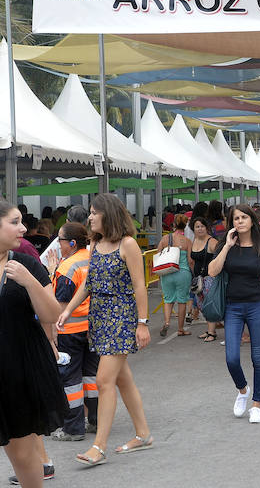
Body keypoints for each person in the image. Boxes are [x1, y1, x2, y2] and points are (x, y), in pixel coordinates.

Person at [56, 193, 153, 466]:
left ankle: (99, 447)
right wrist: (67, 310)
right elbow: (88, 284)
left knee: (103, 381)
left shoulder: (128, 244)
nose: (89, 217)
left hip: (121, 319)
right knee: (122, 379)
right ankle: (143, 434)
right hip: (99, 319)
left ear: (107, 215)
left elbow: (139, 286)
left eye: (93, 213)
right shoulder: (96, 244)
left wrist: (143, 324)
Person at [0, 201, 68, 487]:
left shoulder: (26, 262)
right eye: (15, 222)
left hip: (19, 371)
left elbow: (52, 314)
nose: (23, 228)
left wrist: (29, 282)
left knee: (23, 455)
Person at [207, 204, 260, 424]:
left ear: (251, 221)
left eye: (243, 217)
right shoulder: (226, 245)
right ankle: (242, 390)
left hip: (256, 305)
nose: (239, 221)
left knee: (258, 357)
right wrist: (227, 246)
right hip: (233, 307)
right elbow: (212, 271)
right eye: (235, 218)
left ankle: (256, 405)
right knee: (231, 358)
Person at [49, 222, 100, 442]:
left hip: (69, 330)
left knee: (70, 380)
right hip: (92, 329)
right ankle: (96, 419)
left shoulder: (66, 268)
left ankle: (73, 428)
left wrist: (52, 272)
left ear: (71, 242)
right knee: (91, 376)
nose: (57, 244)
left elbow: (59, 305)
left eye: (59, 239)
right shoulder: (92, 258)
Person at [156, 214, 194, 337]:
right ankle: (180, 329)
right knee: (182, 301)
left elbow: (158, 254)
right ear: (185, 226)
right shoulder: (187, 241)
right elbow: (190, 261)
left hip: (167, 273)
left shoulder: (165, 239)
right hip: (183, 274)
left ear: (173, 225)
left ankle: (167, 322)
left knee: (168, 300)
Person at [190, 217, 221, 343]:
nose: (200, 229)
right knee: (201, 305)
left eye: (202, 226)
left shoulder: (212, 242)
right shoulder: (195, 240)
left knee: (209, 305)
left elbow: (220, 259)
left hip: (210, 279)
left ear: (207, 228)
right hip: (198, 280)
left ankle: (212, 333)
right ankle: (209, 330)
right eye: (197, 227)